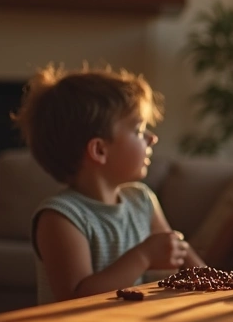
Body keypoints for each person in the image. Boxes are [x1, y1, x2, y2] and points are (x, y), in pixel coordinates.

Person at [15, 64, 202, 304]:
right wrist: (143, 256)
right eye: (138, 129)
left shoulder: (142, 200)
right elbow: (76, 297)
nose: (151, 138)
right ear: (99, 150)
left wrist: (219, 287)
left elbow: (182, 255)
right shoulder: (61, 217)